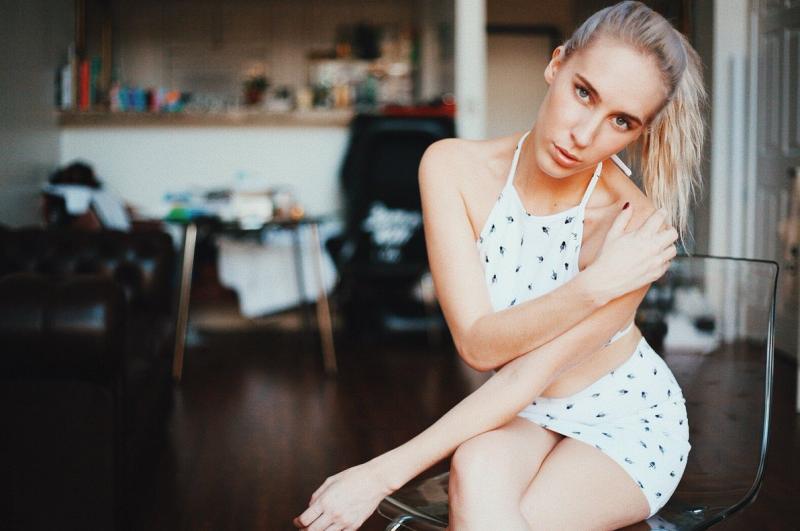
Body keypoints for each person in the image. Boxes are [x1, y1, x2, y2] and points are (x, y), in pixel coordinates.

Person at [293, 1, 707, 529]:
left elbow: (527, 372)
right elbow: (478, 345)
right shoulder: (451, 167)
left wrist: (378, 476)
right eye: (584, 93)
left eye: (621, 121)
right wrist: (594, 286)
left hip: (626, 422)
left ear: (638, 132)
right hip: (525, 413)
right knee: (474, 465)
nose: (584, 135)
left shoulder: (635, 228)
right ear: (556, 65)